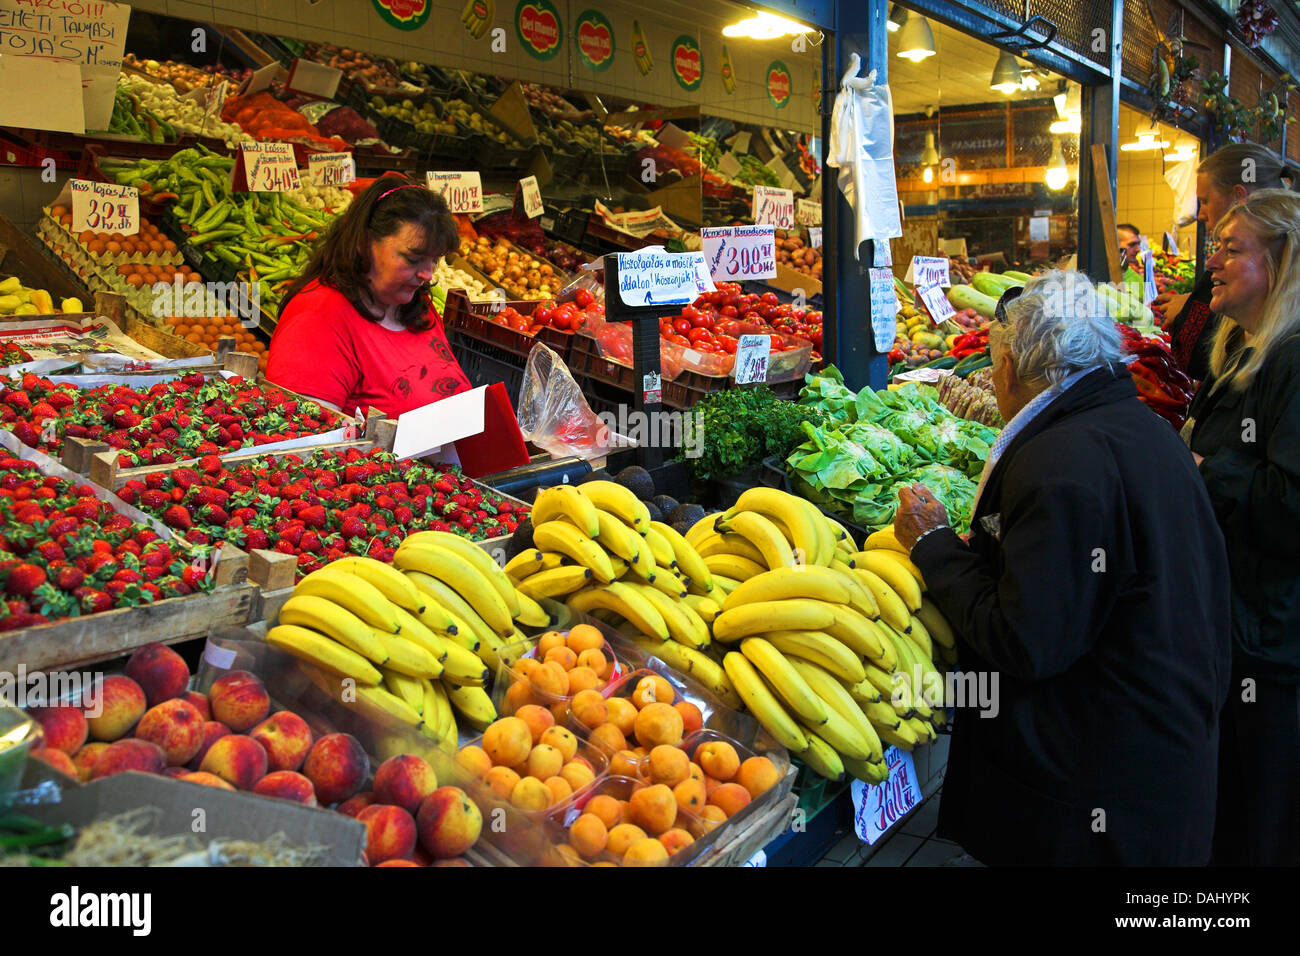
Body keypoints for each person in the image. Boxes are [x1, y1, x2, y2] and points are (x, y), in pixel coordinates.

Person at [894, 271, 1231, 866]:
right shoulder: (1142, 430)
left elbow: (1027, 640)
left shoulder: (1061, 462)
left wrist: (936, 545)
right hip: (1157, 765)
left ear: (1008, 370)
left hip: (1093, 803)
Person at [1183, 189, 1300, 866]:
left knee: (1261, 813)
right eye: (1214, 245)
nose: (1213, 262)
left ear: (1282, 263)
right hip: (1234, 627)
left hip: (1269, 638)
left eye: (1232, 248)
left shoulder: (1292, 360)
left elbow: (1292, 507)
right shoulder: (1240, 352)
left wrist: (1203, 465)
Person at [267, 175, 472, 418]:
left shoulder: (417, 305)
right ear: (364, 243)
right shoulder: (317, 319)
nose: (427, 274)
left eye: (435, 259)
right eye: (413, 258)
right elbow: (304, 436)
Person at [1153, 143, 1298, 382]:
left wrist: (1187, 313)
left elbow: (1196, 359)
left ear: (1239, 197)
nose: (1212, 263)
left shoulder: (1287, 360)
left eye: (1206, 200)